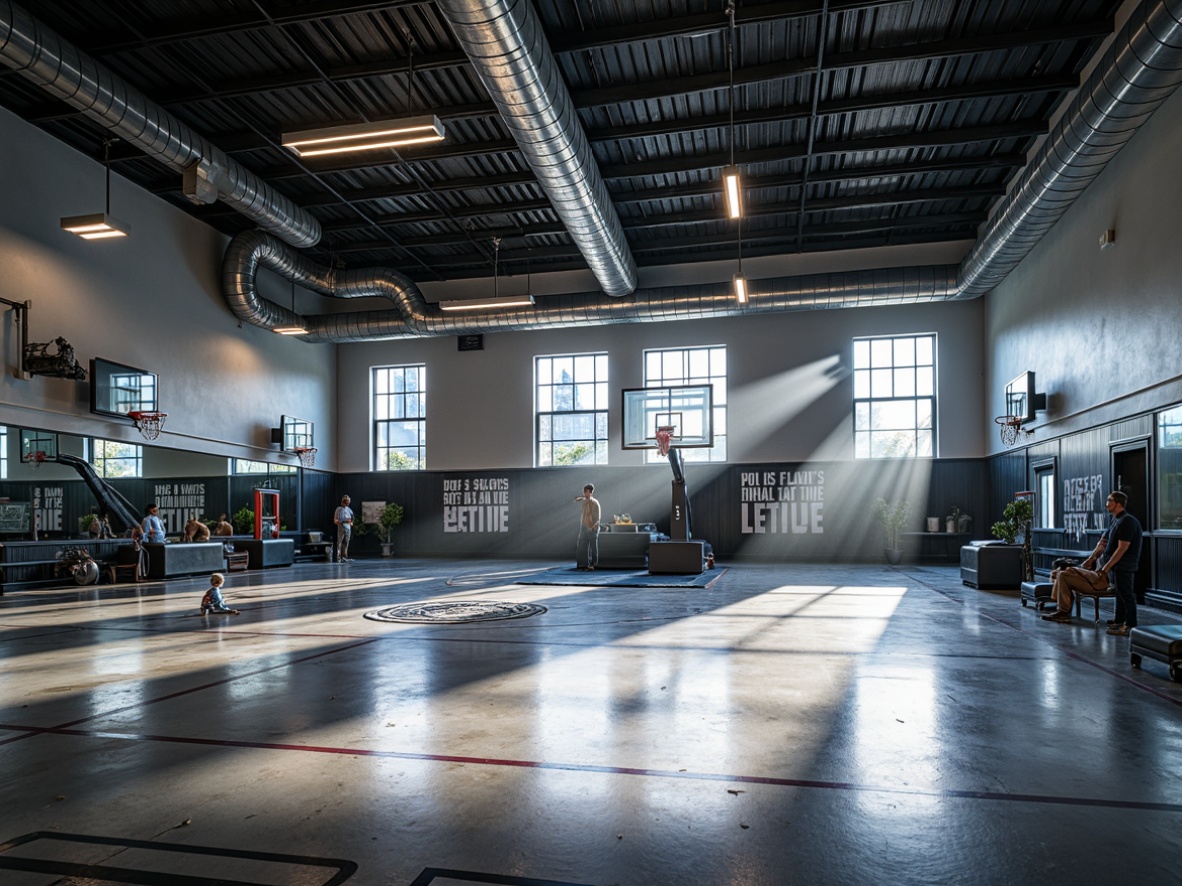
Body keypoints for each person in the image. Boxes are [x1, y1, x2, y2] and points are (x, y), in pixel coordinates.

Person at [1042, 491, 1142, 634]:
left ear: (1118, 504)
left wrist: (1105, 569)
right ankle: (1119, 620)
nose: (1107, 504)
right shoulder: (1116, 521)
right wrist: (1091, 560)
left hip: (1116, 569)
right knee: (1063, 572)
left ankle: (1130, 626)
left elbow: (1122, 549)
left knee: (1126, 594)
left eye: (1109, 501)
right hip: (1107, 571)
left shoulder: (1127, 522)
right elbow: (1102, 544)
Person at [573, 484, 601, 570]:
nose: (585, 493)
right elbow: (575, 499)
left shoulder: (595, 503)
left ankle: (594, 564)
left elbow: (598, 516)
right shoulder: (584, 501)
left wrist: (594, 526)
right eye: (585, 492)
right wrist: (582, 498)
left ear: (590, 492)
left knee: (593, 547)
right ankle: (583, 564)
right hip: (584, 526)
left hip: (593, 527)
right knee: (582, 545)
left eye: (587, 492)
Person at [334, 495, 354, 562]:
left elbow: (352, 518)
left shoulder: (349, 510)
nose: (347, 502)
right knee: (340, 542)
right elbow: (336, 519)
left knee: (346, 542)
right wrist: (340, 522)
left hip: (348, 527)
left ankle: (344, 557)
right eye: (346, 501)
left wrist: (351, 523)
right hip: (341, 526)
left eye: (348, 501)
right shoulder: (338, 509)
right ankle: (338, 557)